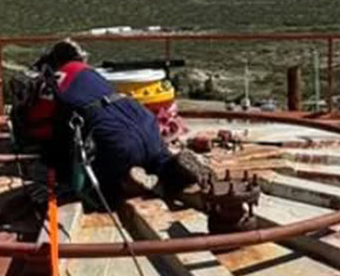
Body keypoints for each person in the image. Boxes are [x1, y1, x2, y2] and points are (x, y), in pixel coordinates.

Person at [21, 38, 204, 203]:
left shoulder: (50, 83)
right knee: (156, 157)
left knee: (96, 186)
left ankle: (126, 184)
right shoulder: (88, 72)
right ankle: (173, 171)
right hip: (145, 123)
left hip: (115, 140)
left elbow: (43, 134)